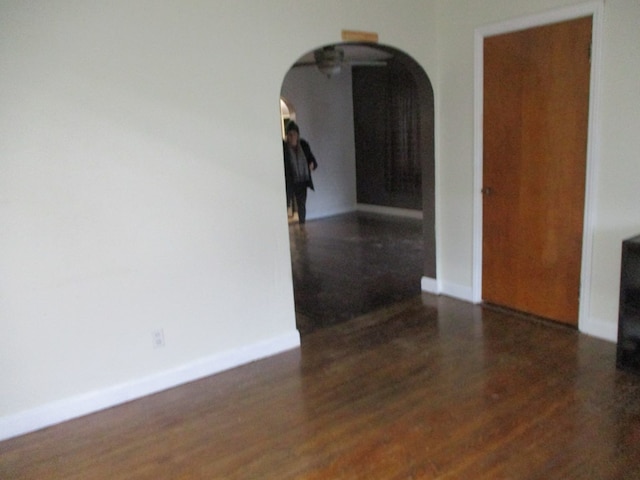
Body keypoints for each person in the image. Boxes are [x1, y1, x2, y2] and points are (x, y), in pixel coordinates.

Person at [283, 121, 318, 228]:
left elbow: (313, 160)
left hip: (302, 180)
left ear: (298, 135)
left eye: (294, 134)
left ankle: (302, 226)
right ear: (287, 135)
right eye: (290, 134)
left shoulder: (304, 145)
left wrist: (312, 164)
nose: (292, 136)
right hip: (290, 181)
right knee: (286, 203)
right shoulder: (283, 148)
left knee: (301, 205)